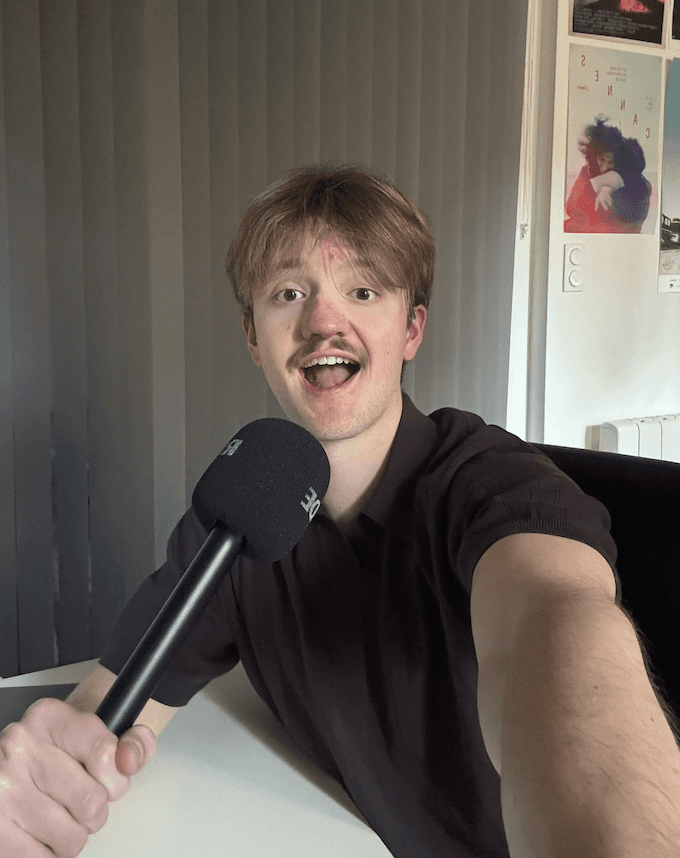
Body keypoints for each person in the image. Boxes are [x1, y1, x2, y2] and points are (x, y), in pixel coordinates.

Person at [2, 165, 680, 858]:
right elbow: (111, 700)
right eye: (289, 293)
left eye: (363, 290)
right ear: (252, 336)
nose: (324, 322)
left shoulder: (494, 487)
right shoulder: (245, 507)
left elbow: (558, 627)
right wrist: (41, 777)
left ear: (412, 328)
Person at [565, 118, 652, 233]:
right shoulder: (588, 170)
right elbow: (571, 207)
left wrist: (613, 183)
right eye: (601, 159)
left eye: (611, 162)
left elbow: (630, 220)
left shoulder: (637, 183)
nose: (605, 167)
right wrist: (601, 182)